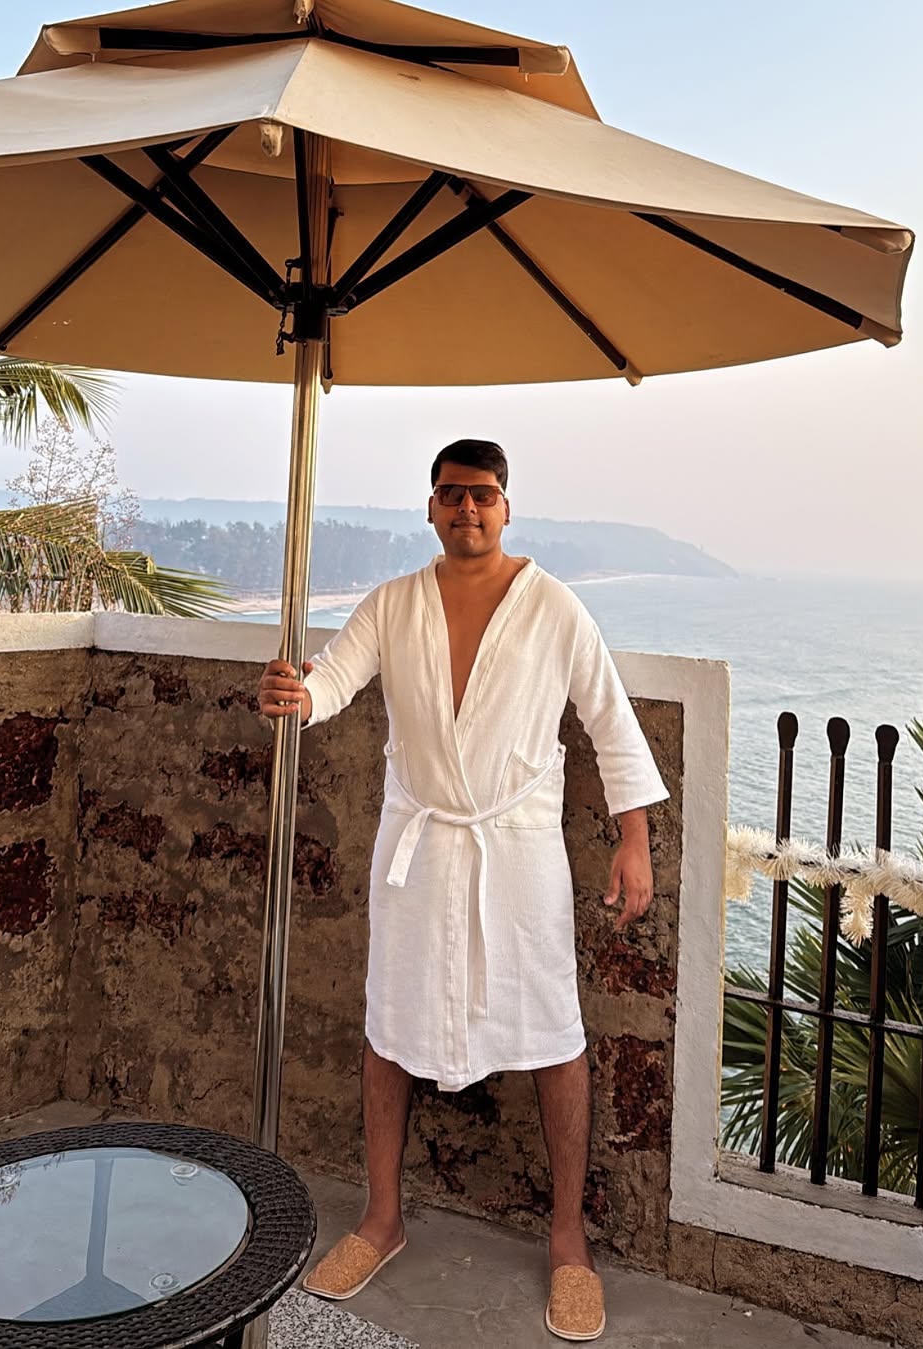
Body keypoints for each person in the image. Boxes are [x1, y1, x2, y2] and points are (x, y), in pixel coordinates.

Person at [258, 439, 667, 1342]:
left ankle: (568, 1240)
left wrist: (634, 840)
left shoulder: (553, 607)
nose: (466, 508)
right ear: (431, 507)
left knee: (554, 1033)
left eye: (481, 494)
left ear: (506, 507)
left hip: (518, 853)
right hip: (418, 848)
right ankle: (381, 1218)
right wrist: (298, 695)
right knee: (389, 1025)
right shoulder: (393, 602)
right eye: (451, 494)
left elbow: (610, 721)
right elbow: (336, 677)